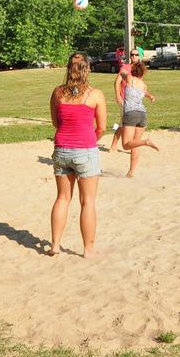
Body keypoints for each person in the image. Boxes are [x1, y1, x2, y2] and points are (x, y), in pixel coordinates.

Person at [49, 53, 107, 258]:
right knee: (88, 201)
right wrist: (89, 140)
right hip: (85, 150)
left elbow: (56, 123)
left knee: (63, 198)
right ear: (87, 69)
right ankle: (88, 249)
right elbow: (102, 128)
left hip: (61, 149)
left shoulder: (57, 93)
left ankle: (55, 245)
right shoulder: (95, 94)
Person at [120, 61, 159, 178]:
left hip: (131, 113)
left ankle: (146, 142)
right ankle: (131, 172)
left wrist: (126, 66)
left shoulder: (129, 78)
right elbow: (144, 91)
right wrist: (150, 96)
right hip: (142, 114)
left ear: (133, 71)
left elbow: (122, 72)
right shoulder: (143, 85)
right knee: (134, 144)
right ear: (143, 73)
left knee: (126, 145)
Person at [108, 46, 142, 153]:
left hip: (136, 101)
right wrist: (118, 96)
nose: (134, 56)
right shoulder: (125, 68)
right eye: (132, 54)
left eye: (136, 54)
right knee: (124, 124)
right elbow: (117, 82)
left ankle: (132, 145)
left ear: (140, 56)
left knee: (135, 124)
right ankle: (114, 145)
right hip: (125, 100)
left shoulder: (140, 69)